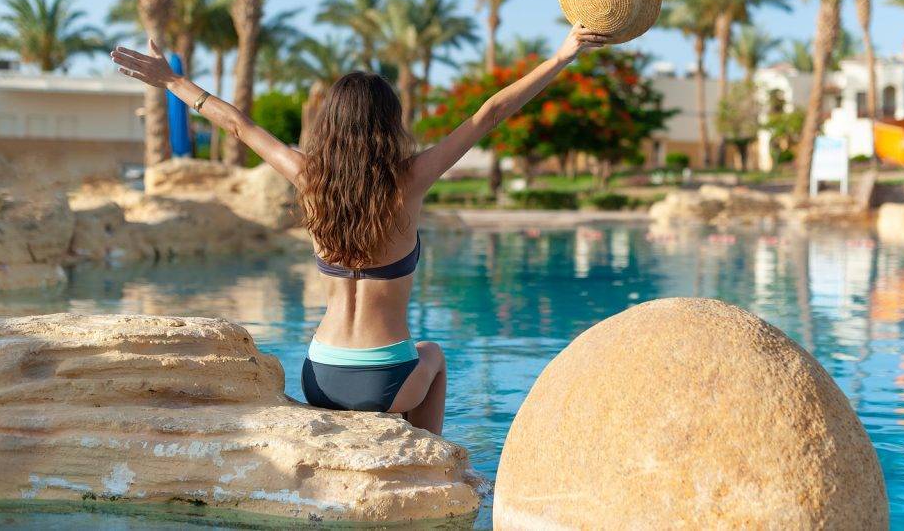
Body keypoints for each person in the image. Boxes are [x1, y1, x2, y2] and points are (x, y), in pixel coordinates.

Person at [110, 24, 608, 435]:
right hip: (387, 380)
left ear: (330, 124)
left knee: (413, 355)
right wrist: (563, 55)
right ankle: (431, 461)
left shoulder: (308, 176)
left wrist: (173, 82)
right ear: (388, 124)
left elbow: (238, 125)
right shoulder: (410, 180)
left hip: (320, 376)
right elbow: (490, 115)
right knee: (432, 353)